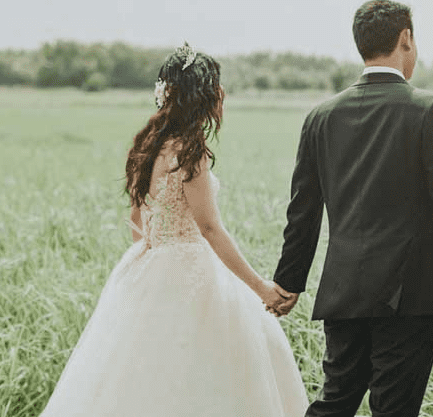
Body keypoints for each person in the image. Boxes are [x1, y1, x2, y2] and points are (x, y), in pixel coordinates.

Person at [38, 44, 309, 416]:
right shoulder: (190, 150)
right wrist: (261, 287)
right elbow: (211, 228)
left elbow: (137, 220)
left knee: (143, 373)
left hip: (147, 263)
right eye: (218, 87)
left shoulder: (147, 145)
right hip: (191, 269)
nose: (223, 94)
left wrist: (152, 259)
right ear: (205, 96)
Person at [266, 0, 433, 416]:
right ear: (405, 38)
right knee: (394, 409)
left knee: (335, 403)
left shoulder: (320, 116)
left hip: (344, 290)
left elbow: (302, 211)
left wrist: (289, 284)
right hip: (410, 296)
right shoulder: (429, 109)